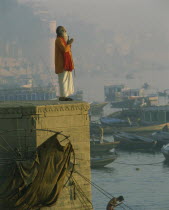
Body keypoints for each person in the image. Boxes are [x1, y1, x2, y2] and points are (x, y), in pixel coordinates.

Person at [55, 26, 75, 101]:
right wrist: (69, 43)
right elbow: (64, 49)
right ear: (61, 32)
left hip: (66, 64)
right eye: (64, 31)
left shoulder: (63, 40)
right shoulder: (58, 40)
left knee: (67, 79)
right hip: (62, 64)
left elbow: (67, 49)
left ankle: (66, 95)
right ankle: (63, 96)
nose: (66, 33)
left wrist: (68, 43)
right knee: (63, 80)